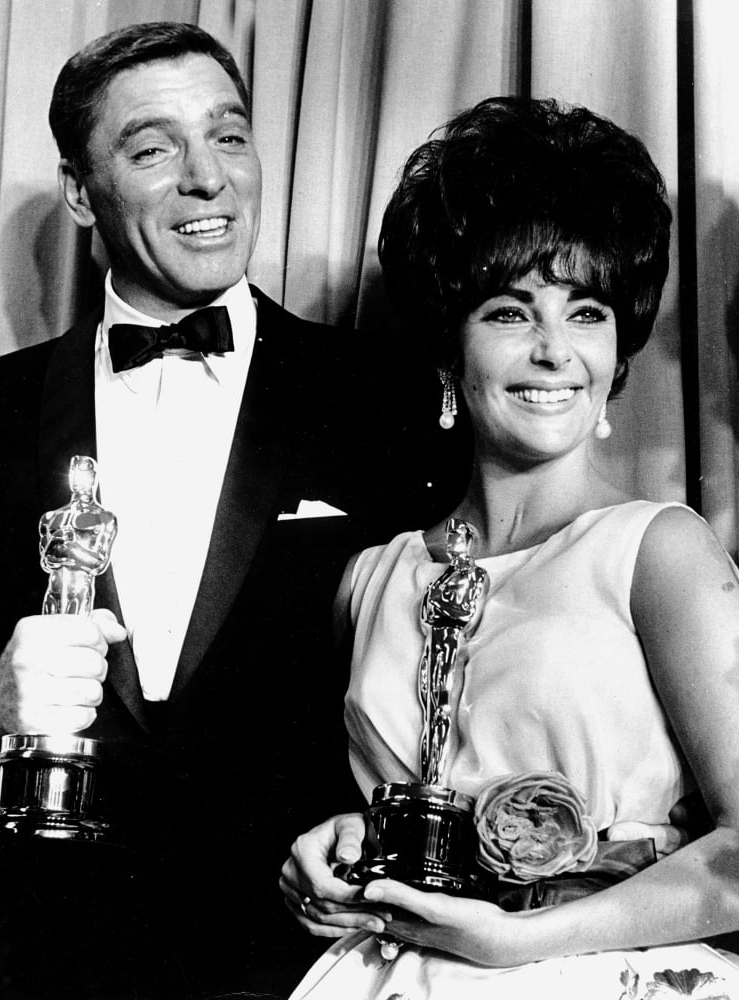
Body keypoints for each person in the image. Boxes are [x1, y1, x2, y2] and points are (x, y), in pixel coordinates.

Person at [0, 22, 467, 1000]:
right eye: (154, 148)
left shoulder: (384, 399)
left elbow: (466, 667)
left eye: (229, 136)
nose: (208, 178)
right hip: (53, 957)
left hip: (309, 956)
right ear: (78, 190)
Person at [279, 96, 739, 999]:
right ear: (448, 347)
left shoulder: (659, 552)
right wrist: (334, 849)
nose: (552, 351)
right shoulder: (368, 578)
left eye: (586, 312)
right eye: (508, 311)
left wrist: (516, 945)